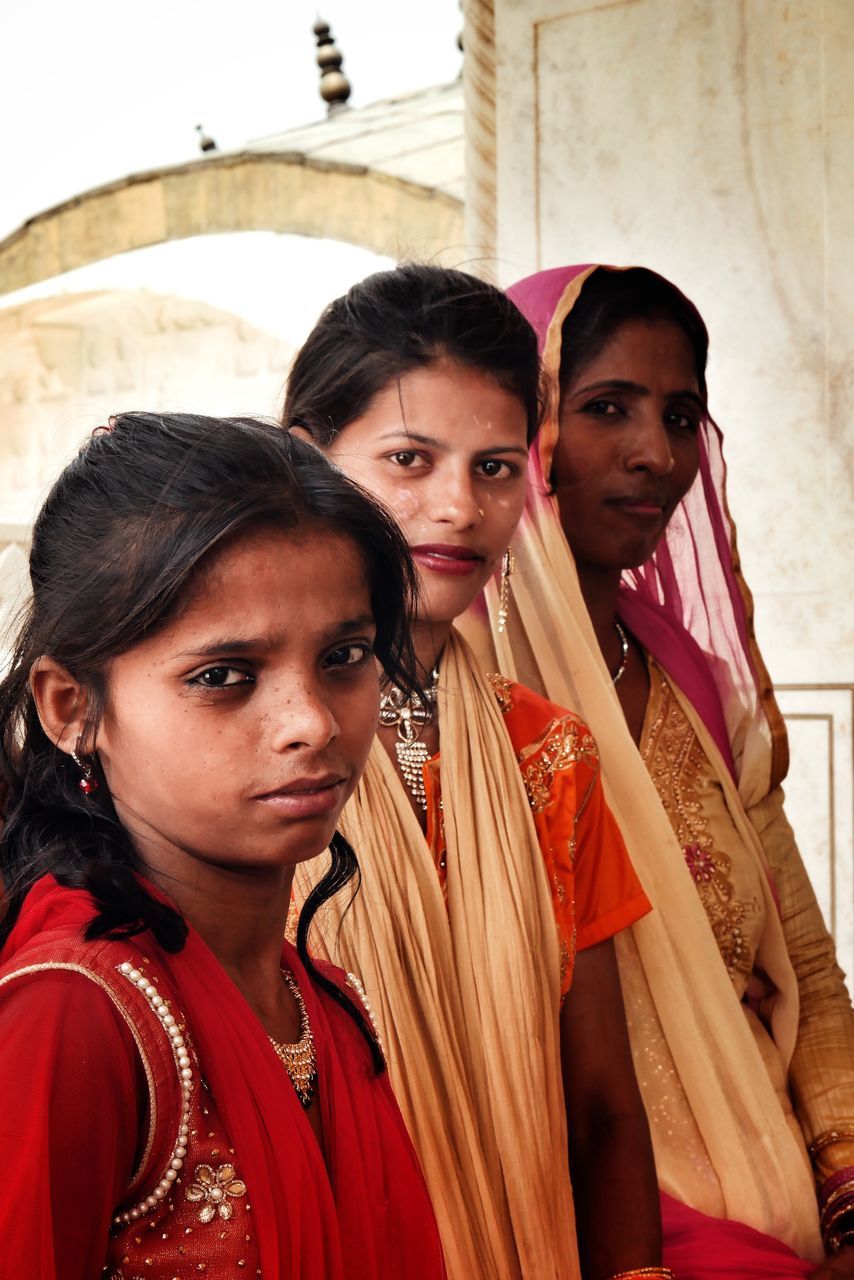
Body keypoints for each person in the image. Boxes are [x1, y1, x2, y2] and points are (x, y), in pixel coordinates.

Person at [465, 262, 854, 1279]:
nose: (655, 453)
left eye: (679, 415)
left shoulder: (696, 687)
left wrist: (848, 1183)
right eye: (604, 408)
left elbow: (803, 971)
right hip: (598, 1236)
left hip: (792, 1223)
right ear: (516, 434)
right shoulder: (456, 703)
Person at [282, 264, 669, 1280]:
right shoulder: (238, 752)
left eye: (494, 468)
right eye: (409, 458)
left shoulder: (550, 756)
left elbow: (598, 1108)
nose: (455, 505)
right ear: (303, 461)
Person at [0, 413, 446, 1280]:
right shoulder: (74, 1012)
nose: (311, 722)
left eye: (346, 656)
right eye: (222, 677)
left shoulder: (315, 998)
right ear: (70, 709)